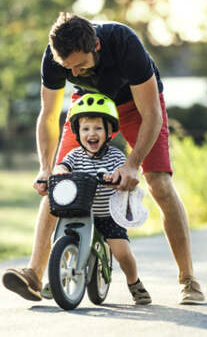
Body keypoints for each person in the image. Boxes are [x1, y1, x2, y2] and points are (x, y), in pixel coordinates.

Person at [2, 12, 205, 305]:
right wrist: (45, 169)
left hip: (137, 106)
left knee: (159, 184)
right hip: (90, 107)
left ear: (96, 46)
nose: (77, 73)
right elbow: (47, 116)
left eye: (81, 65)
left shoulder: (124, 43)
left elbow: (152, 115)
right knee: (59, 182)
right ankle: (34, 273)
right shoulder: (55, 56)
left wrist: (132, 164)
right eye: (69, 68)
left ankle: (188, 280)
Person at [49, 93, 151, 305]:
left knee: (122, 253)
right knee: (58, 240)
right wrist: (57, 172)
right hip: (80, 213)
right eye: (85, 129)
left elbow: (125, 173)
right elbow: (62, 167)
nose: (91, 134)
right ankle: (56, 276)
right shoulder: (74, 156)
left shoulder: (115, 156)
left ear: (108, 132)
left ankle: (134, 283)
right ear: (78, 133)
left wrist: (117, 177)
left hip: (108, 216)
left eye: (97, 128)